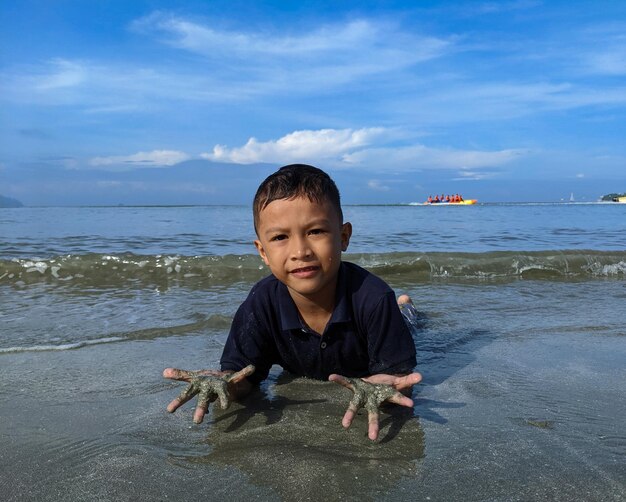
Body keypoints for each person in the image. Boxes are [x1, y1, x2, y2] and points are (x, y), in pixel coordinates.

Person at [164, 164, 422, 440]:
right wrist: (222, 383)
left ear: (343, 237)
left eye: (316, 232)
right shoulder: (261, 304)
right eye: (280, 237)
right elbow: (241, 378)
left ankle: (405, 307)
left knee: (408, 320)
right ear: (262, 251)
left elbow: (398, 379)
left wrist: (383, 385)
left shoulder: (373, 298)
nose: (300, 251)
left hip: (389, 316)